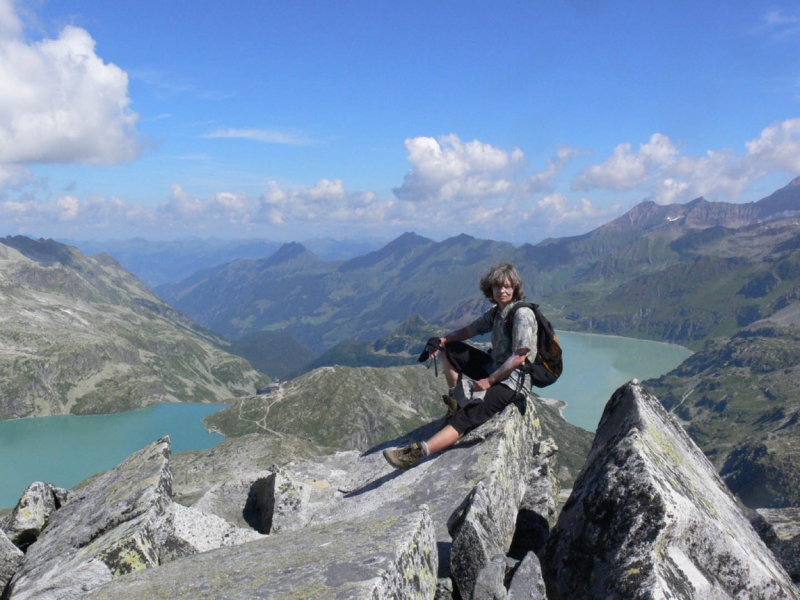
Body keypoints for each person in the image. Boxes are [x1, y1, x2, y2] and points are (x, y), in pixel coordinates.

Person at [383, 262, 537, 469]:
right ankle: (456, 401)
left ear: (515, 288)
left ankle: (416, 454)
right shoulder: (497, 313)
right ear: (490, 289)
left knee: (470, 414)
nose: (502, 290)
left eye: (508, 286)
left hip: (514, 381)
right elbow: (469, 331)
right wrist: (442, 341)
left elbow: (520, 355)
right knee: (452, 349)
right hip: (495, 367)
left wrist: (489, 381)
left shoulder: (522, 315)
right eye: (498, 286)